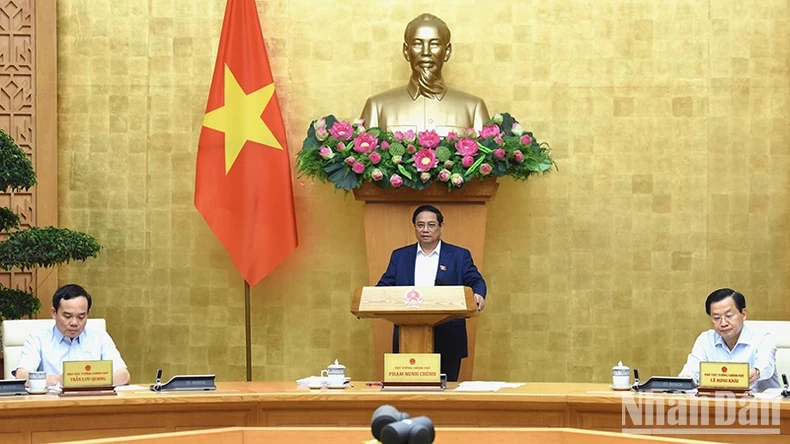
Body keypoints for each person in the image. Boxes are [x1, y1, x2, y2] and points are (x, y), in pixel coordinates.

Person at [377, 205, 486, 381]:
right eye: (420, 225)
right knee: (408, 392)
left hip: (448, 334)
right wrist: (375, 299)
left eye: (431, 225)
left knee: (445, 394)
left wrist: (478, 294)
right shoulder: (400, 256)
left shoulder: (459, 255)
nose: (425, 230)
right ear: (414, 228)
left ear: (441, 227)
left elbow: (475, 280)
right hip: (408, 335)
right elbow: (384, 286)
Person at [360, 13, 489, 136]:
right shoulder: (377, 107)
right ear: (406, 51)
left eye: (434, 44)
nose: (426, 52)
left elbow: (487, 156)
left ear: (447, 51)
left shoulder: (473, 108)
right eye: (417, 44)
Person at [14, 284, 131, 387]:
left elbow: (123, 376)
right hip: (52, 406)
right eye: (67, 316)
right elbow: (22, 376)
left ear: (88, 314)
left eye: (81, 317)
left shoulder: (99, 337)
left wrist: (82, 380)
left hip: (91, 404)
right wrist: (59, 380)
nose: (74, 323)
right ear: (54, 313)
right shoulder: (38, 338)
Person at [679, 288, 780, 392]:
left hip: (761, 405)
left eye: (729, 316)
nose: (723, 323)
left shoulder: (763, 337)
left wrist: (756, 372)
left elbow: (766, 366)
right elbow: (691, 370)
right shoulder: (705, 340)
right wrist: (687, 378)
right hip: (716, 404)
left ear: (744, 314)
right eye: (717, 318)